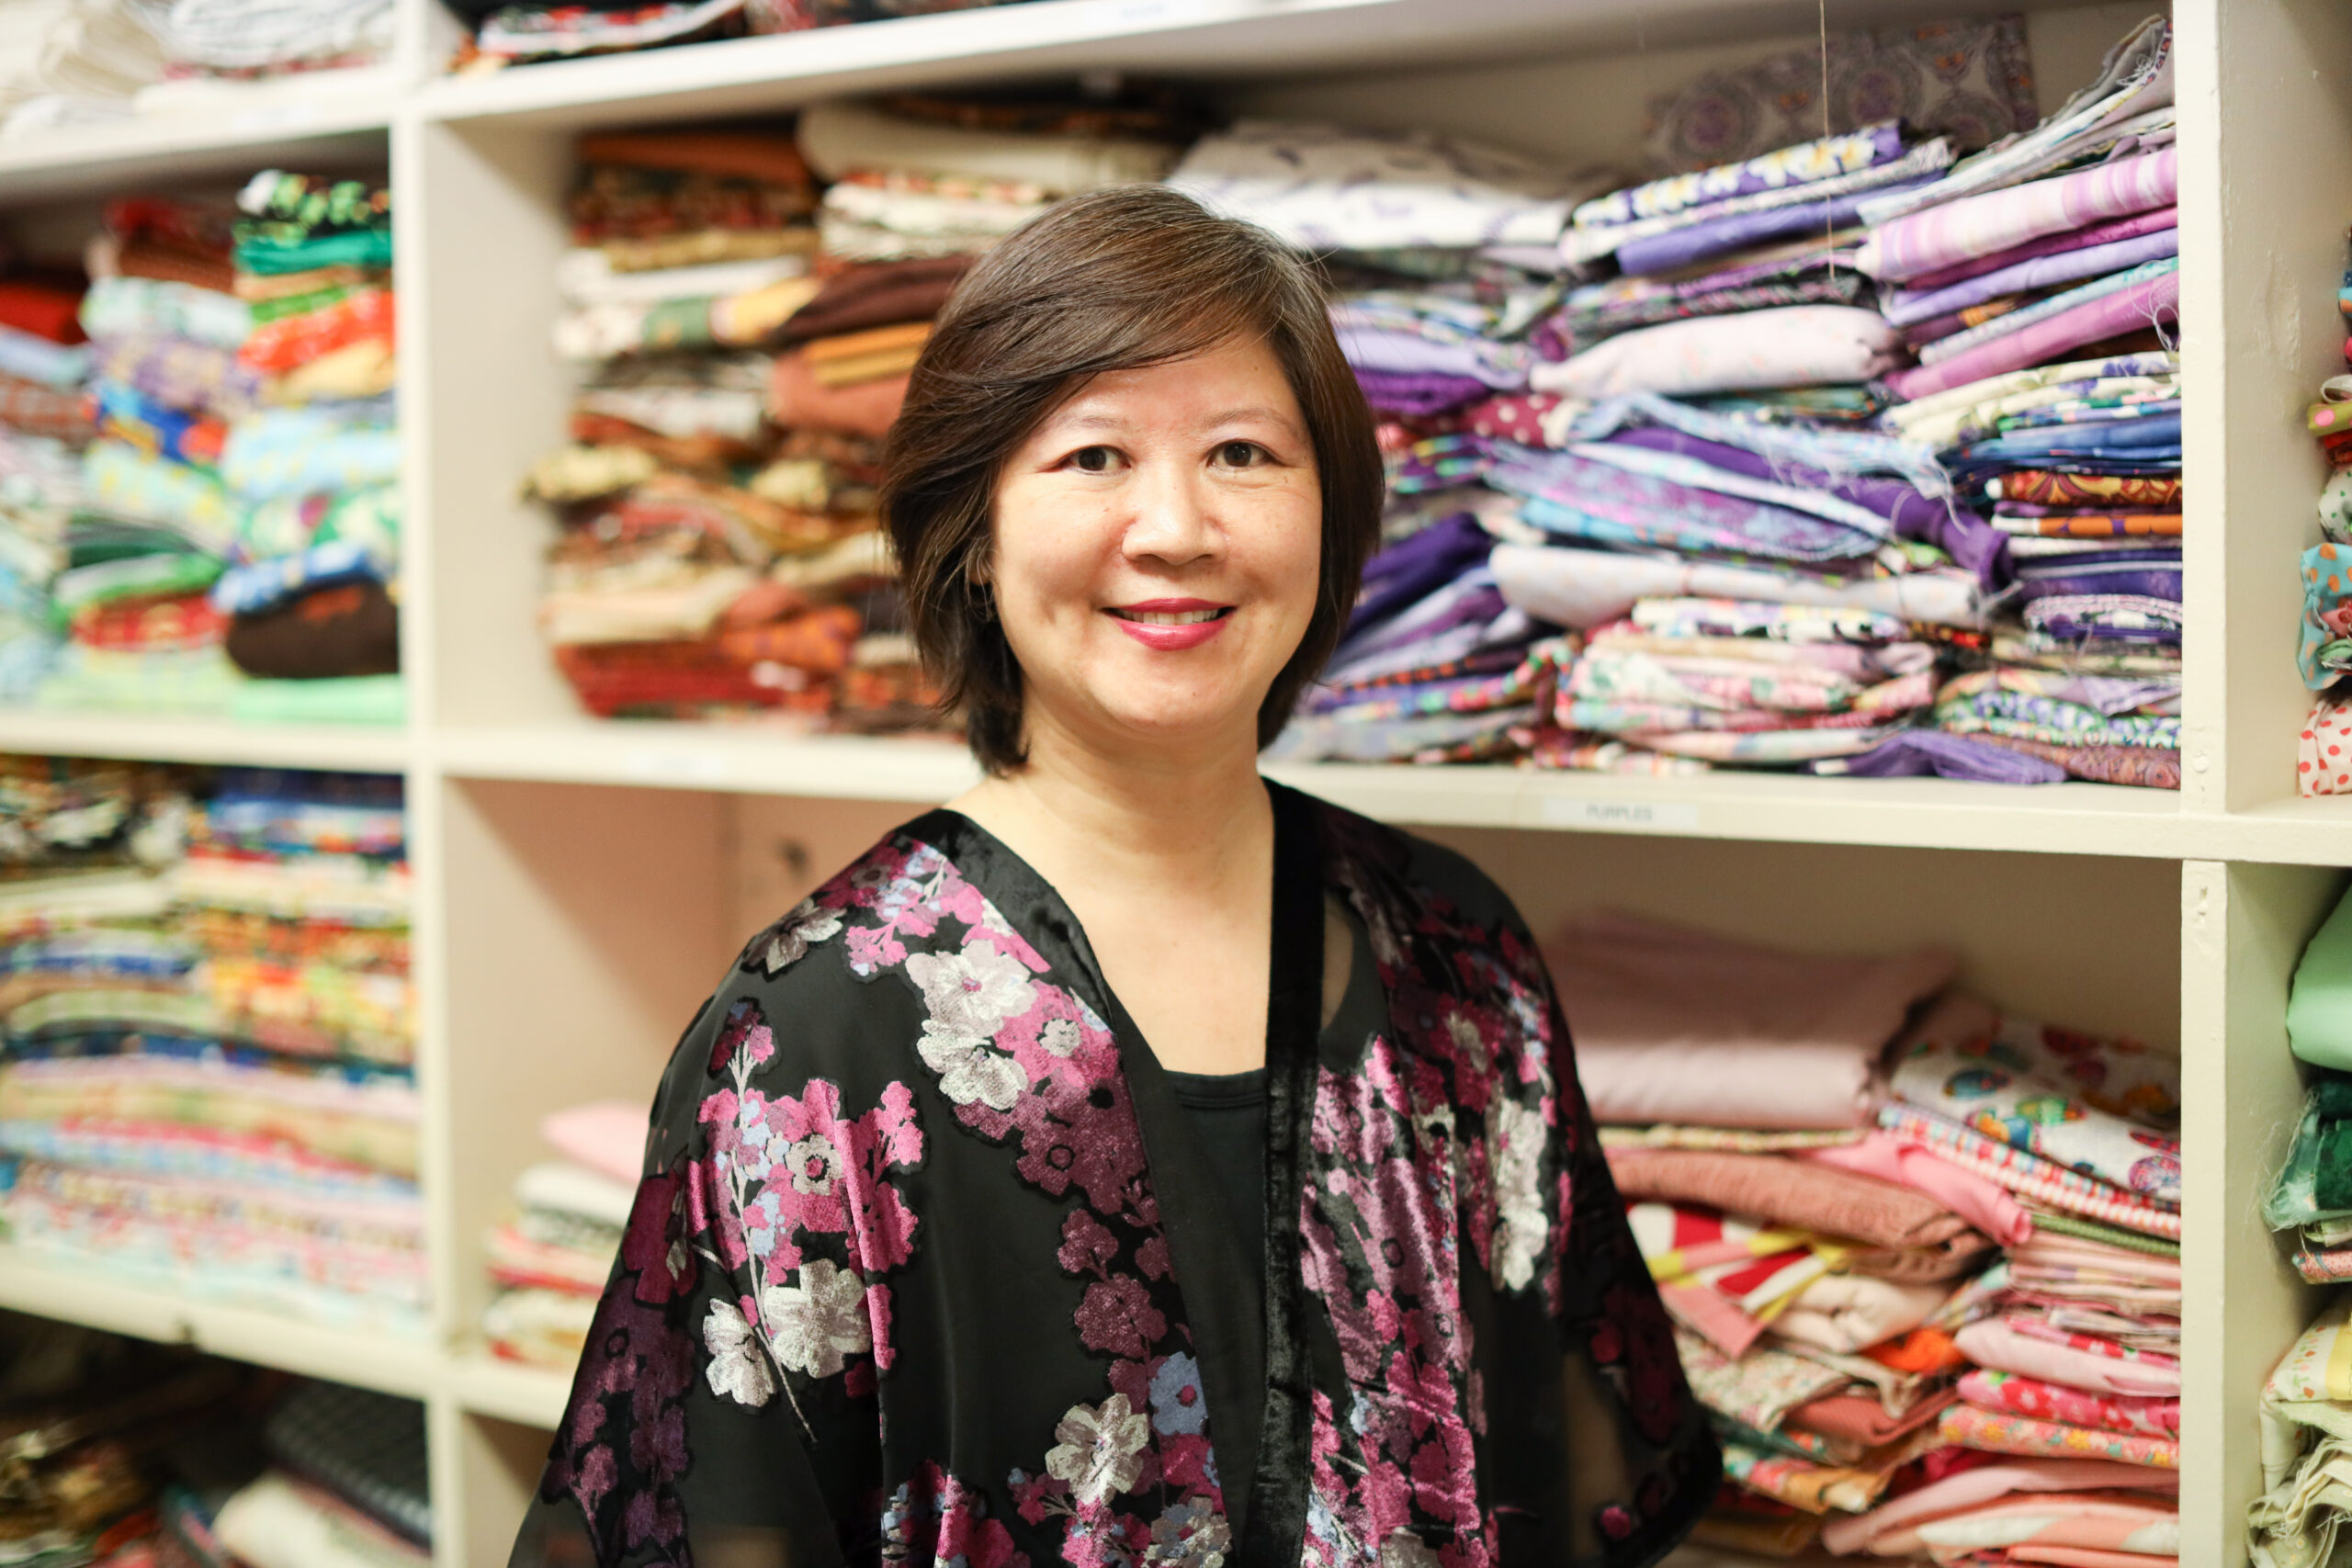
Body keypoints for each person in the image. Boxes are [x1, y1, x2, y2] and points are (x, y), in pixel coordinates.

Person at [510, 186, 1717, 1568]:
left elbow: (1578, 1475)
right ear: (972, 531)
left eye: (1245, 454)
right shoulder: (808, 1046)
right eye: (1093, 458)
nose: (1177, 527)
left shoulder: (1458, 955)